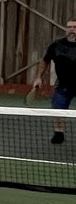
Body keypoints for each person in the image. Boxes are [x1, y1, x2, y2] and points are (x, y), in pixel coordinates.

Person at [34, 17, 76, 145]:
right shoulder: (56, 45)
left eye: (75, 27)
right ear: (65, 29)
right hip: (63, 86)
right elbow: (45, 61)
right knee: (57, 110)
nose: (72, 30)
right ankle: (59, 133)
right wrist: (38, 77)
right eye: (69, 27)